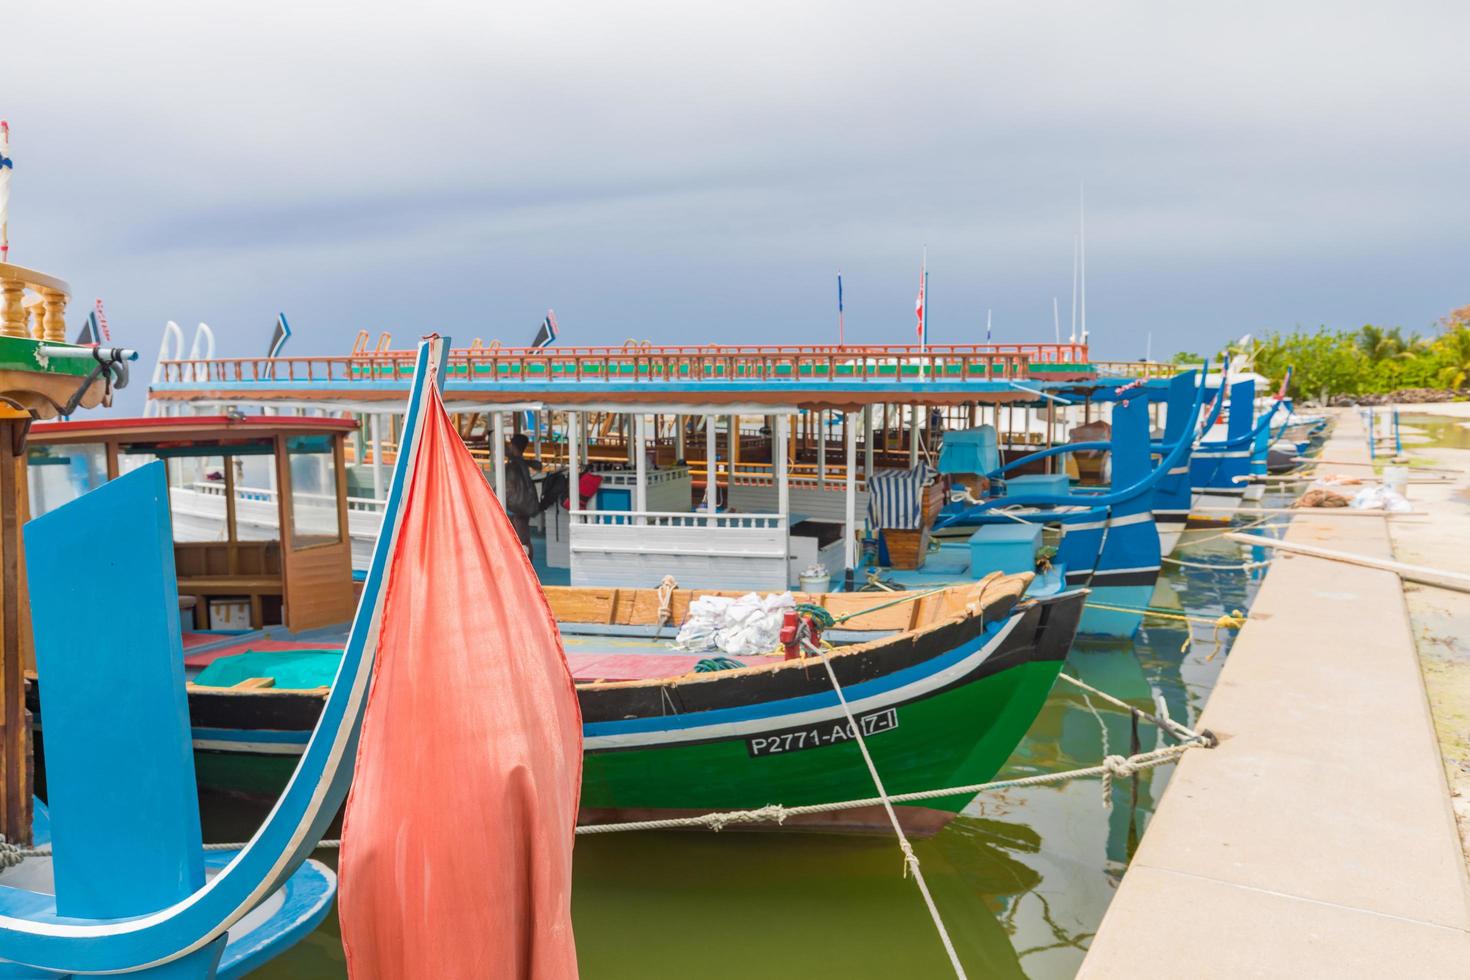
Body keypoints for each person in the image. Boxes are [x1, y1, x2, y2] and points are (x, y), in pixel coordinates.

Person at [503, 434, 541, 560]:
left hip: (518, 506)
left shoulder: (516, 462)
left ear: (514, 446)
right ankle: (525, 564)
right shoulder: (519, 462)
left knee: (523, 539)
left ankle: (528, 565)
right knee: (521, 538)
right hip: (517, 506)